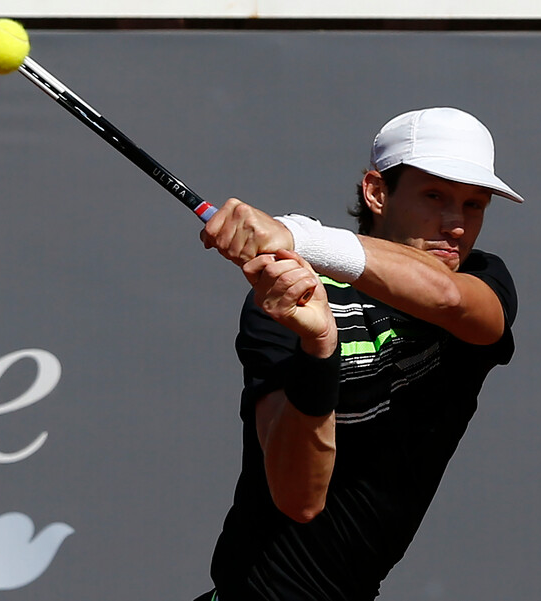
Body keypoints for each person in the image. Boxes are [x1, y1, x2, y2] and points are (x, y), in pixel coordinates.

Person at [196, 107, 524, 601]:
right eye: (434, 196)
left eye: (474, 205)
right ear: (376, 192)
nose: (456, 224)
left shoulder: (482, 281)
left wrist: (299, 235)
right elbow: (299, 499)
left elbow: (449, 298)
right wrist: (319, 350)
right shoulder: (288, 299)